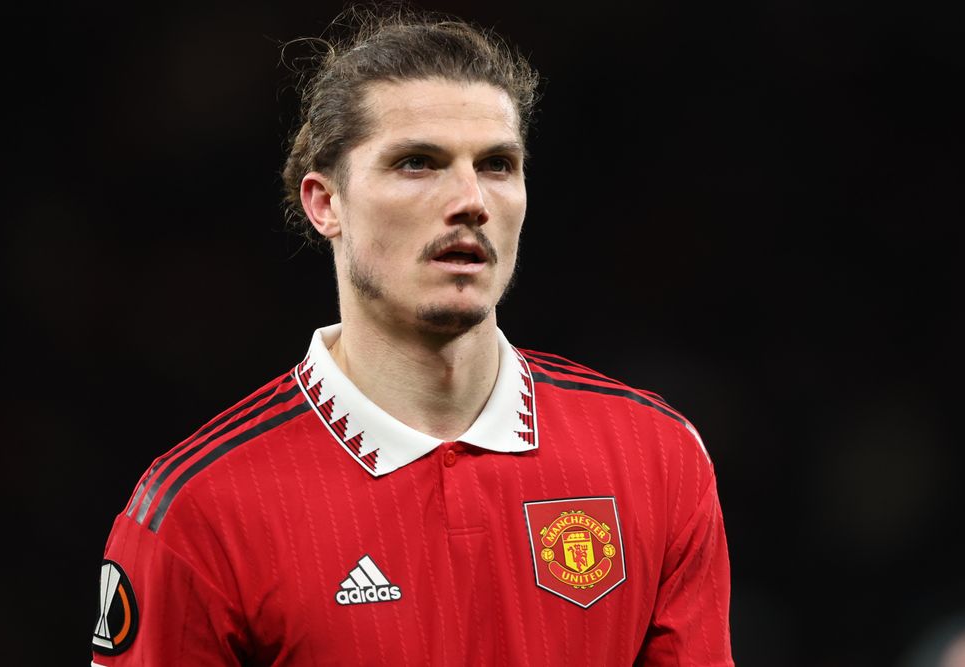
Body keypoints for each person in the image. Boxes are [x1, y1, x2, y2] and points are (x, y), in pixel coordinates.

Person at [93, 9, 733, 666]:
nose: (470, 199)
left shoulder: (654, 457)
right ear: (325, 203)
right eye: (417, 163)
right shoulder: (199, 511)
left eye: (496, 164)